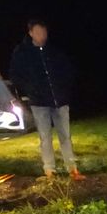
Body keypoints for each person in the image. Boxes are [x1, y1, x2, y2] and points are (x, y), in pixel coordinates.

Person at [9, 19, 83, 180]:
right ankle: (50, 170)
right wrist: (29, 90)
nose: (42, 35)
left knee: (65, 135)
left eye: (44, 32)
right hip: (39, 102)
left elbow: (68, 70)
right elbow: (15, 75)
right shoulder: (22, 52)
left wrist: (64, 88)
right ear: (30, 33)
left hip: (60, 100)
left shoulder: (54, 51)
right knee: (45, 137)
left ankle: (72, 168)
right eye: (38, 32)